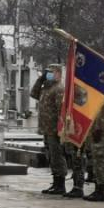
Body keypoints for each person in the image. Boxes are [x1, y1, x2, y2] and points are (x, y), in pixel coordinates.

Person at [30, 64, 66, 195]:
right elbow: (33, 93)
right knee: (50, 156)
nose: (48, 74)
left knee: (56, 156)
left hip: (54, 129)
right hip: (46, 128)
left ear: (58, 73)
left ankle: (60, 184)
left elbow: (61, 110)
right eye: (47, 72)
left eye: (51, 72)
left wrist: (60, 128)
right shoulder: (46, 88)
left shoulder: (59, 89)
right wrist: (40, 80)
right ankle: (55, 182)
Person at [82, 99, 104, 202]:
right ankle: (97, 189)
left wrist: (99, 128)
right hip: (95, 128)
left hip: (100, 131)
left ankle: (100, 191)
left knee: (100, 160)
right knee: (96, 160)